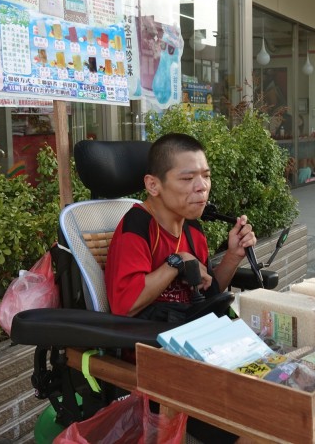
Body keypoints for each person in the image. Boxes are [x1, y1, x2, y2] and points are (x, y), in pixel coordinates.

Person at [105, 132, 256, 444]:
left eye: (205, 176)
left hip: (197, 346)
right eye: (187, 178)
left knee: (279, 399)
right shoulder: (136, 228)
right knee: (261, 423)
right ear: (153, 185)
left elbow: (208, 292)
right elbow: (125, 304)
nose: (201, 187)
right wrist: (176, 262)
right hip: (158, 359)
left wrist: (233, 255)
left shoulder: (192, 229)